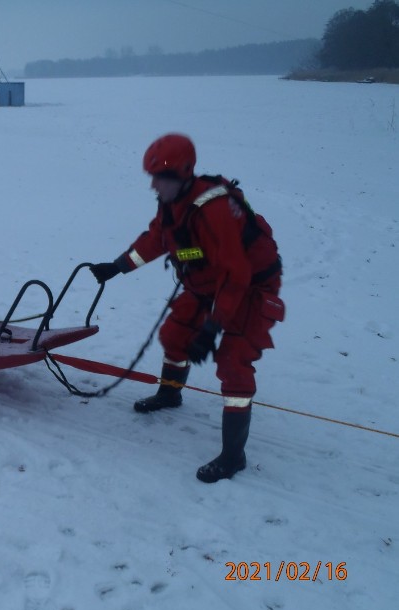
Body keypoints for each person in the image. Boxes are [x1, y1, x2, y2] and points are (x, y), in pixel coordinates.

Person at [89, 133, 284, 483]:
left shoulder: (214, 211)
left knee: (233, 364)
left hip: (250, 288)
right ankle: (169, 393)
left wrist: (213, 326)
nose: (153, 185)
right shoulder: (173, 202)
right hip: (207, 282)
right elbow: (157, 239)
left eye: (159, 178)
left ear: (182, 174)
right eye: (151, 176)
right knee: (174, 335)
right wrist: (117, 266)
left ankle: (232, 456)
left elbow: (236, 273)